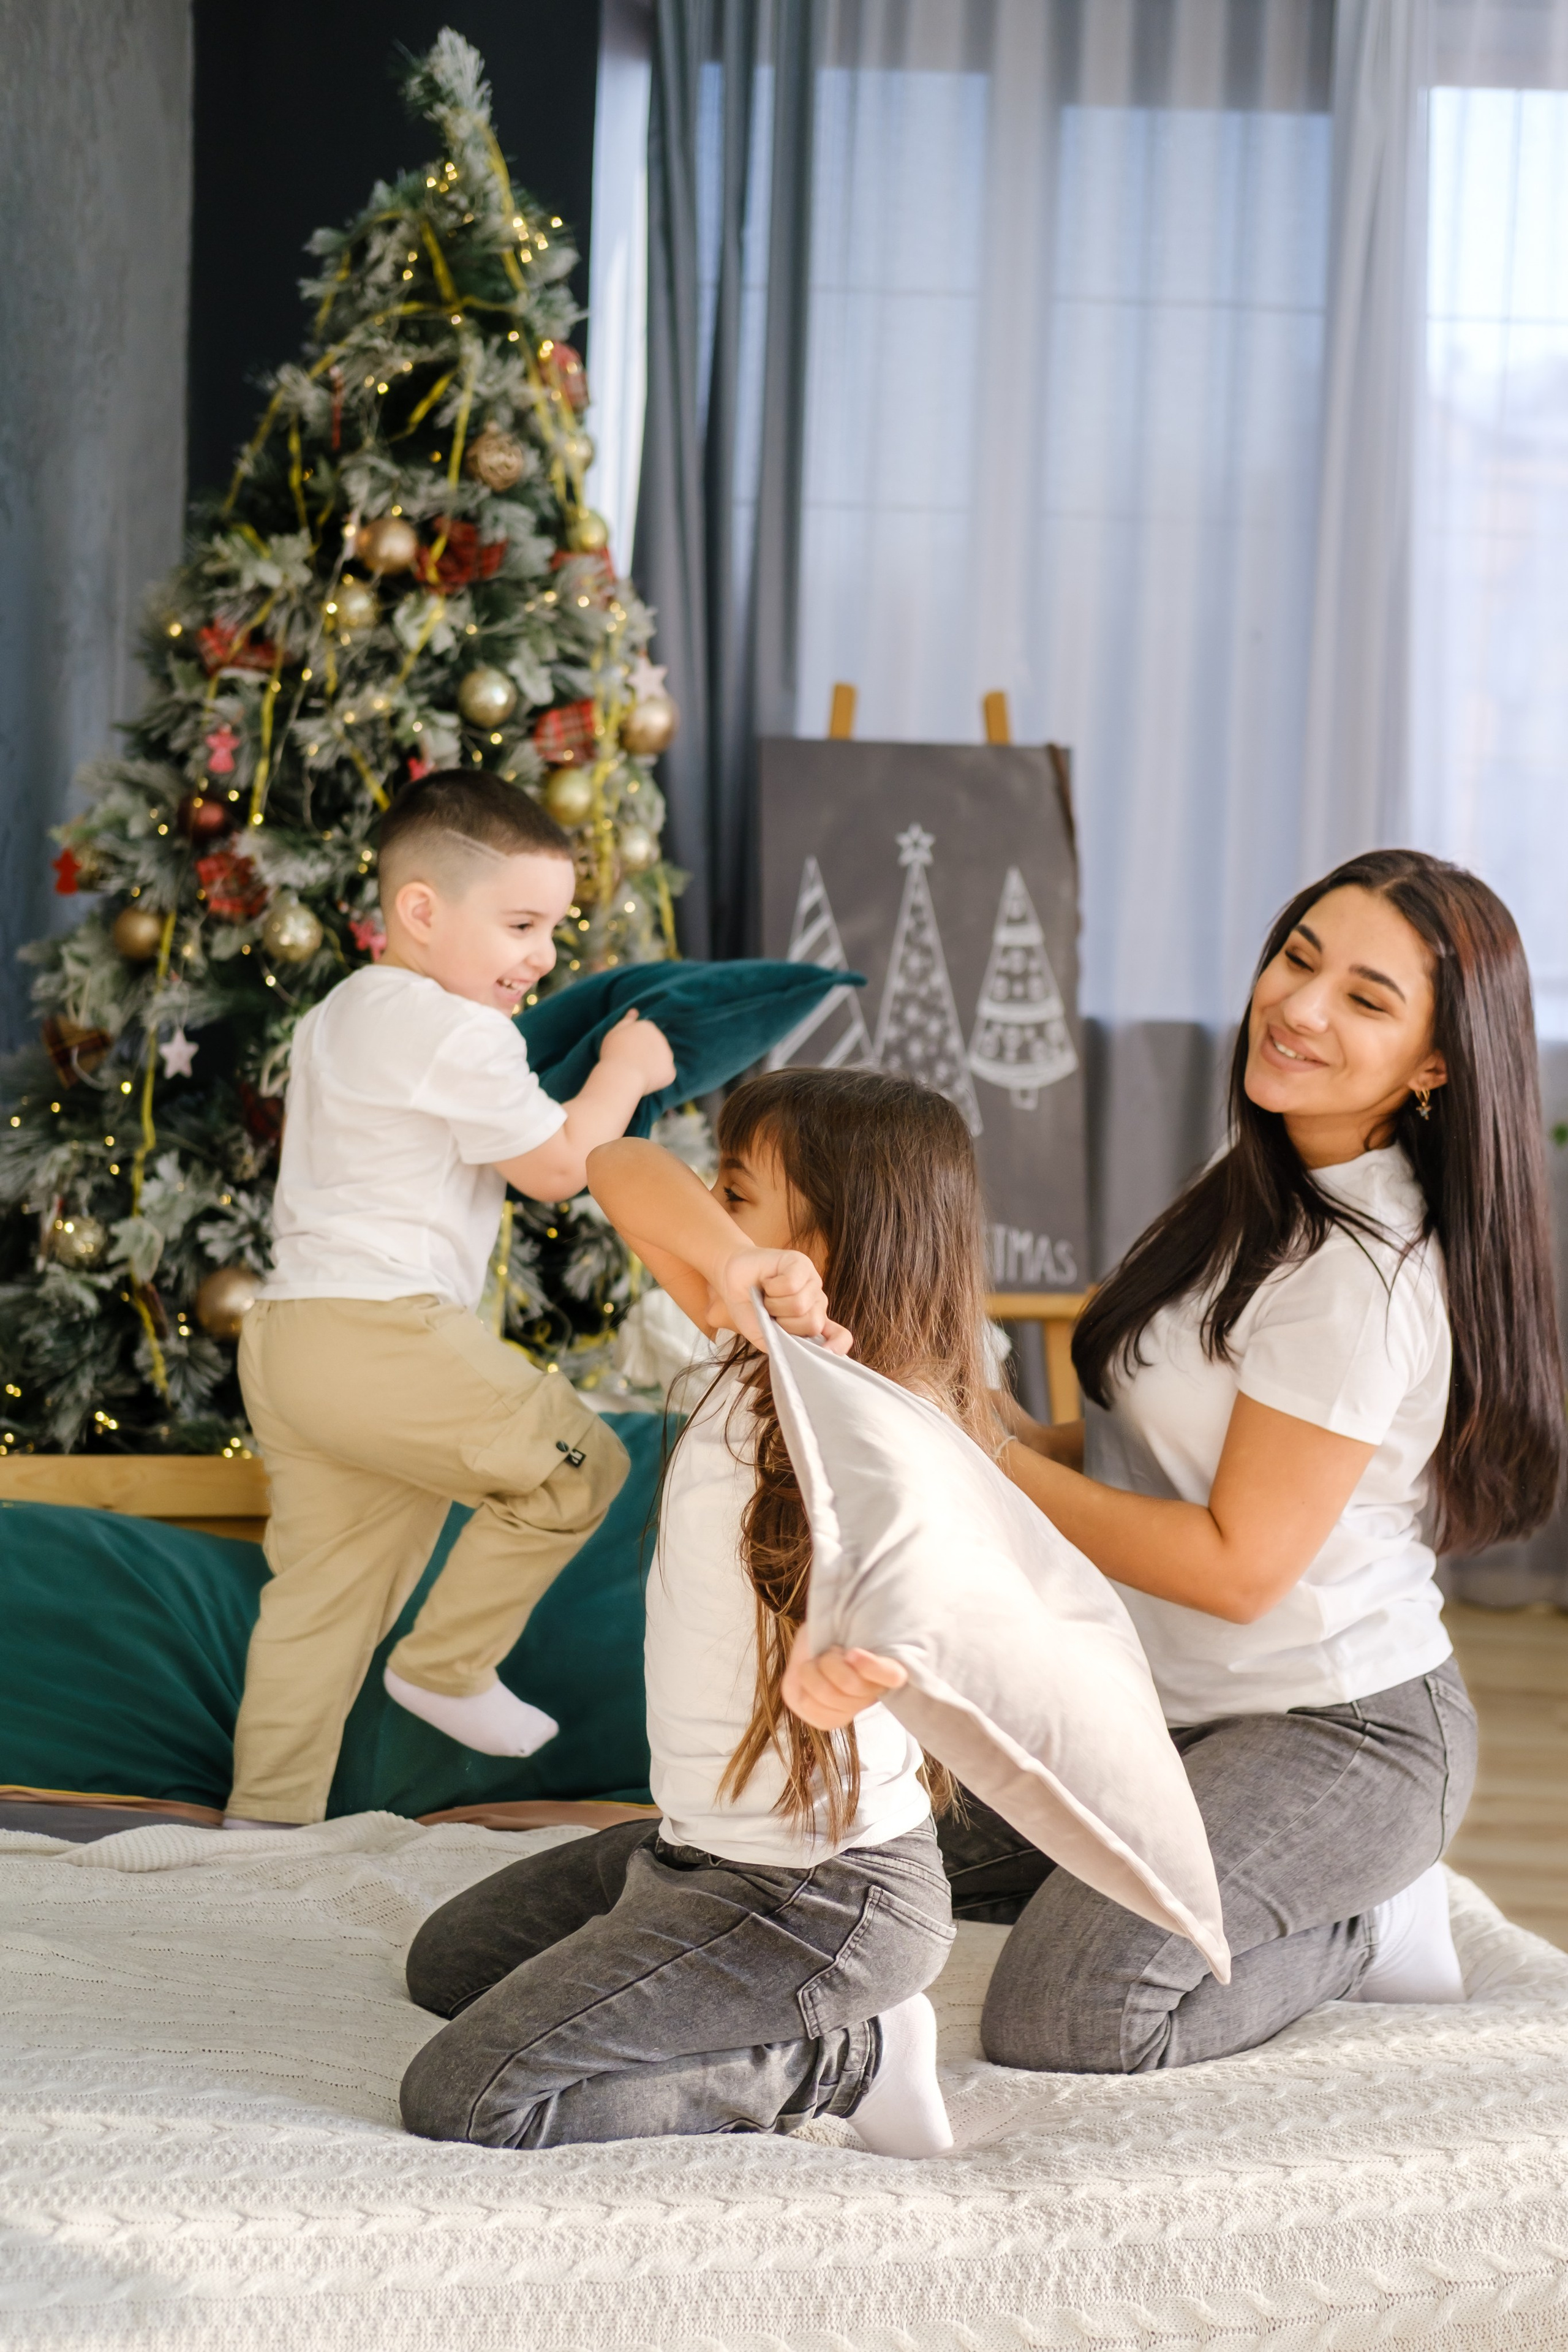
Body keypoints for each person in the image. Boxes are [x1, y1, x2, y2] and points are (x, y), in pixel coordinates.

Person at [971, 849, 1564, 2072]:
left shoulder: (1362, 1273)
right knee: (888, 1852)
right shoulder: (1260, 1177)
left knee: (1068, 2012)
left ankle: (1362, 1920)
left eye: (1364, 997)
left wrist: (997, 1457)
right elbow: (1166, 1447)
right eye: (1297, 958)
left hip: (1338, 1729)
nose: (1297, 1007)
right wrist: (988, 1425)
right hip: (1168, 1709)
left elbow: (1238, 1563)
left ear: (1434, 1065)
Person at [398, 1069, 976, 2157]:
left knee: (471, 2098)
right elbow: (616, 1165)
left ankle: (851, 2057)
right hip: (694, 1849)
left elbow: (932, 1593)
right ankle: (682, 1952)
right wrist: (734, 1260)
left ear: (845, 1236)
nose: (711, 1216)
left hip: (823, 1896)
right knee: (449, 1966)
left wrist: (861, 1658)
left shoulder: (882, 1433)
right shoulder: (737, 1336)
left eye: (739, 1196)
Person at [224, 771, 675, 1830]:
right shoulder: (451, 1029)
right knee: (581, 1465)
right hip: (380, 1329)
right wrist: (627, 1066)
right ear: (420, 911)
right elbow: (561, 1165)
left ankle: (256, 1833)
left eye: (553, 927)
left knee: (323, 1602)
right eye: (521, 924)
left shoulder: (343, 1013)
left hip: (293, 1340)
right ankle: (448, 1664)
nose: (543, 955)